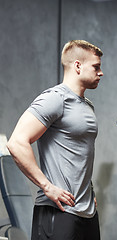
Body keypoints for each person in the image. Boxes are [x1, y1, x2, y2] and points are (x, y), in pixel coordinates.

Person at [6, 40, 103, 240]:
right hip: (58, 211)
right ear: (77, 66)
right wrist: (47, 186)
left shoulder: (88, 106)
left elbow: (80, 154)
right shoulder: (55, 98)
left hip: (87, 213)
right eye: (96, 66)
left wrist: (88, 191)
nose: (100, 72)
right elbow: (16, 142)